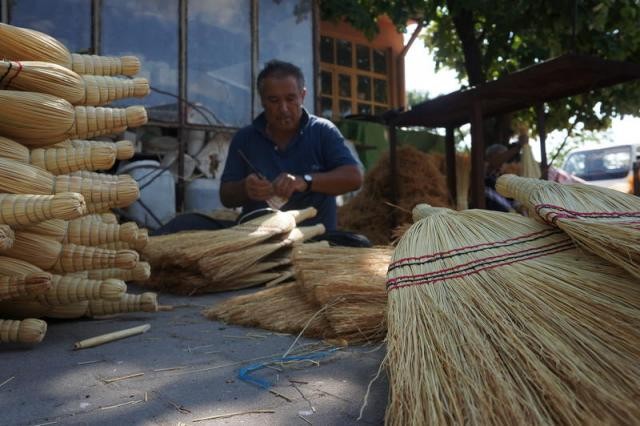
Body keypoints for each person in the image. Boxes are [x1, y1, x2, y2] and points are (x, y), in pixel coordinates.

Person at [220, 60, 363, 231]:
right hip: (257, 243)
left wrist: (305, 181)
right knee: (185, 223)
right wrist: (245, 188)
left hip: (316, 241)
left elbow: (354, 178)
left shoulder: (322, 131)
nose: (284, 109)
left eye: (290, 98)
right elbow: (226, 197)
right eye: (273, 100)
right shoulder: (245, 138)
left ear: (302, 96)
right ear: (262, 101)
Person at [484, 136, 525, 212]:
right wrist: (519, 146)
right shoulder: (484, 172)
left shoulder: (506, 180)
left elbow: (516, 205)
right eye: (501, 157)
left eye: (506, 159)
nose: (503, 161)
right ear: (489, 157)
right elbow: (493, 164)